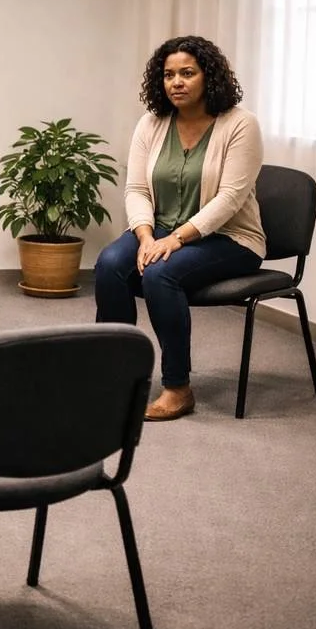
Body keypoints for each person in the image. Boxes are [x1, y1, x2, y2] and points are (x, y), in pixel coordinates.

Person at [95, 35, 266, 421]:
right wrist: (143, 236)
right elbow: (137, 188)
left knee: (160, 274)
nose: (176, 82)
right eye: (169, 74)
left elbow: (230, 199)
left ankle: (177, 387)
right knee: (108, 264)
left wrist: (174, 239)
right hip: (157, 233)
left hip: (230, 239)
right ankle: (118, 376)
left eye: (187, 73)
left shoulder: (240, 125)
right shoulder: (152, 123)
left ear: (209, 76)